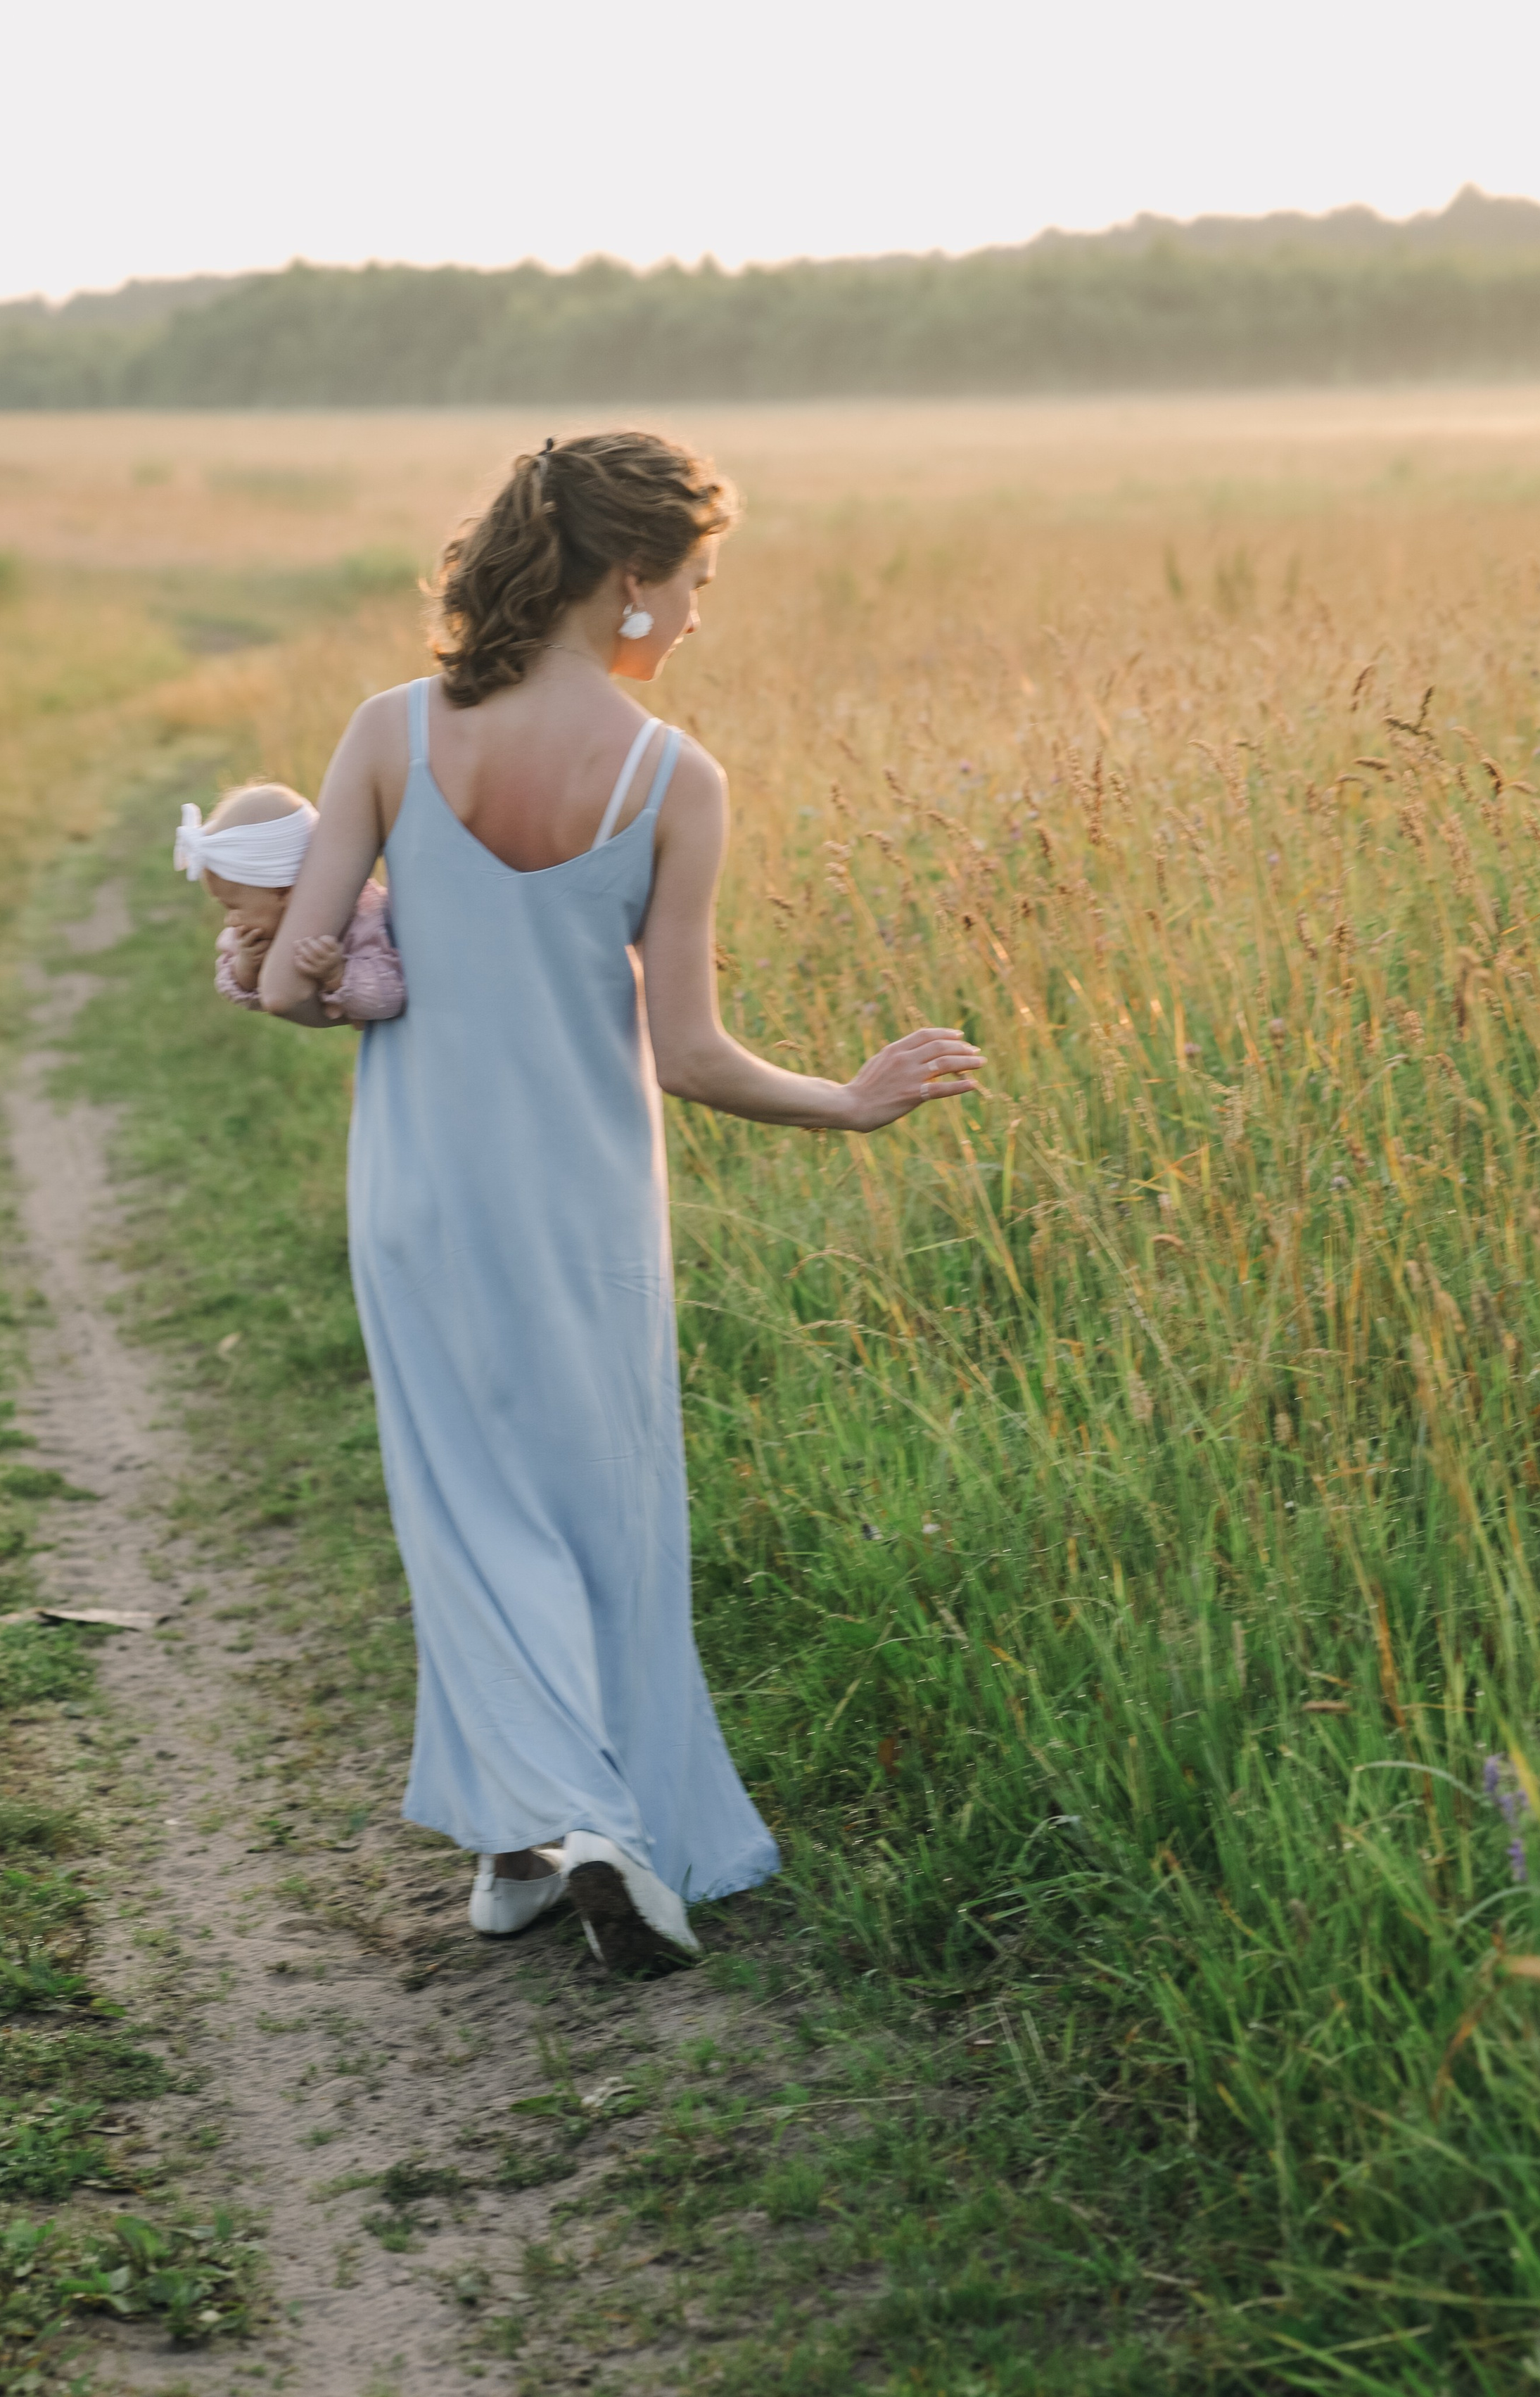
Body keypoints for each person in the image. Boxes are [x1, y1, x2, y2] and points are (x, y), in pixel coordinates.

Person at [259, 431, 985, 1971]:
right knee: (598, 1517)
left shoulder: (391, 730)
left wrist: (291, 953)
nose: (699, 617)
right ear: (631, 577)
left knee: (466, 1514)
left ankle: (526, 1837)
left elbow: (294, 985)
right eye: (697, 585)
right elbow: (693, 1053)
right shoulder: (673, 776)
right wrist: (845, 1101)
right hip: (585, 1208)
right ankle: (595, 1822)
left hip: (425, 1195)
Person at [174, 781, 405, 1022]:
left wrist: (338, 973)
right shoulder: (251, 937)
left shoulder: (363, 919)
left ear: (283, 891)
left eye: (233, 907)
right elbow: (238, 990)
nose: (229, 920)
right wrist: (247, 966)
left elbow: (390, 999)